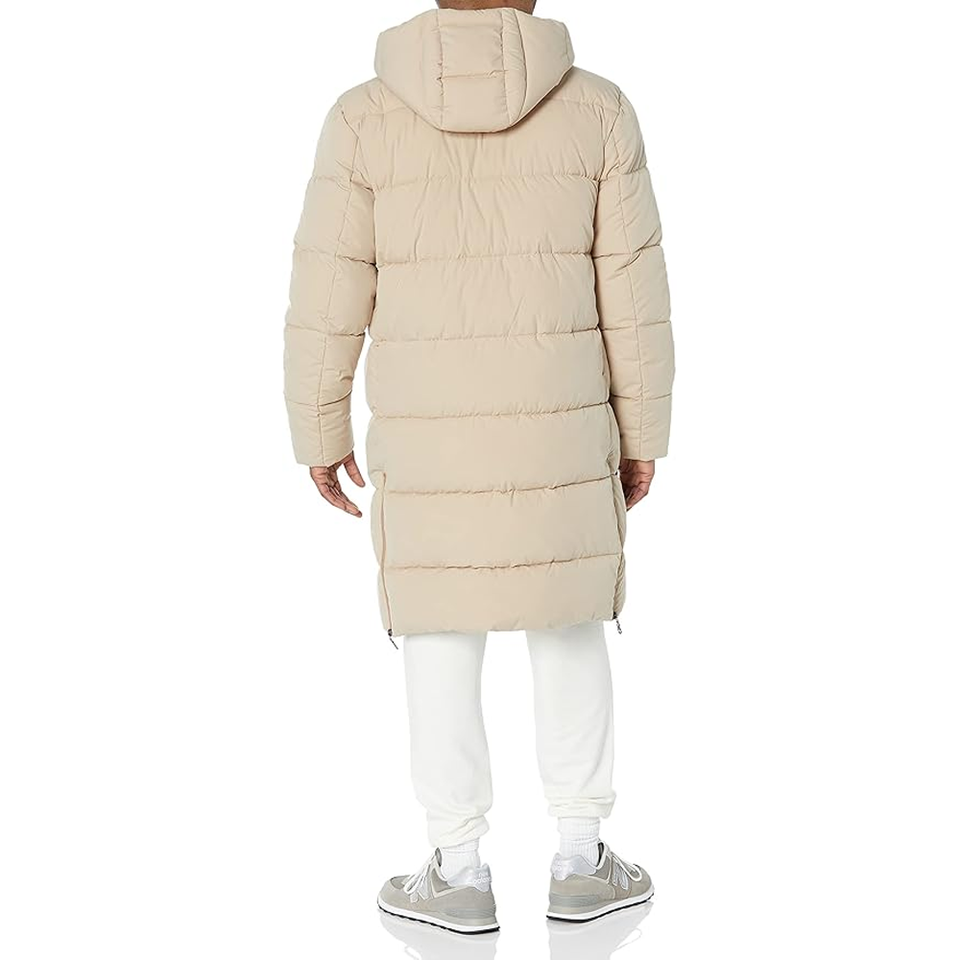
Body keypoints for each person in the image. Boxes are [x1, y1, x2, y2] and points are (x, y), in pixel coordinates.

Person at [283, 0, 674, 935]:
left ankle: (457, 871)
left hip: (427, 435)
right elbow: (634, 289)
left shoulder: (362, 117)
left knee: (438, 628)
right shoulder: (600, 110)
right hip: (560, 426)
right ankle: (581, 860)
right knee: (568, 614)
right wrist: (643, 430)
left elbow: (326, 288)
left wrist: (318, 426)